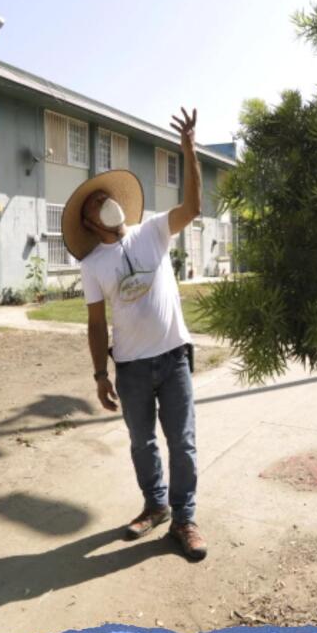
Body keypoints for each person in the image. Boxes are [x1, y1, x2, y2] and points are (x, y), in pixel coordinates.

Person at [62, 107, 207, 562]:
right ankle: (155, 504)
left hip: (174, 356)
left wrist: (188, 151)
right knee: (142, 442)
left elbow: (193, 208)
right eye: (93, 204)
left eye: (105, 196)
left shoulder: (153, 231)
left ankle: (184, 518)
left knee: (181, 441)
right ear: (89, 222)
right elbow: (94, 322)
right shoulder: (92, 266)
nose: (104, 203)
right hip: (131, 367)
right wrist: (98, 374)